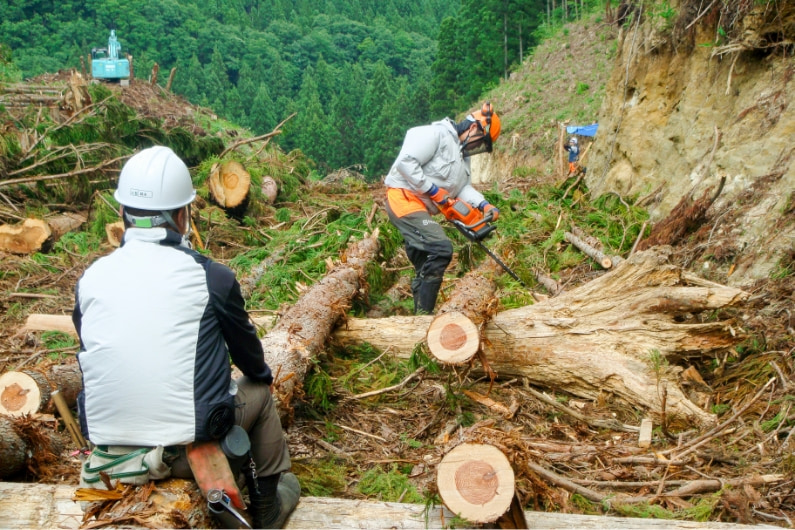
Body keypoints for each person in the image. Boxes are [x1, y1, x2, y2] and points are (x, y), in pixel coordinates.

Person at [72, 145, 299, 528]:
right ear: (183, 215)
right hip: (181, 447)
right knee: (259, 392)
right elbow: (252, 361)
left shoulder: (91, 277)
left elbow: (92, 349)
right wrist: (250, 378)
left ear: (124, 213)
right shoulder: (210, 277)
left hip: (110, 447)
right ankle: (266, 508)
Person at [384, 102, 501, 315]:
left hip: (421, 208)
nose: (477, 148)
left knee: (424, 264)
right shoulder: (435, 134)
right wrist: (433, 190)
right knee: (441, 249)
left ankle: (419, 319)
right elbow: (405, 162)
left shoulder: (462, 158)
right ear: (474, 128)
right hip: (403, 198)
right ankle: (425, 315)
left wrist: (483, 205)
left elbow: (462, 188)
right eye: (479, 143)